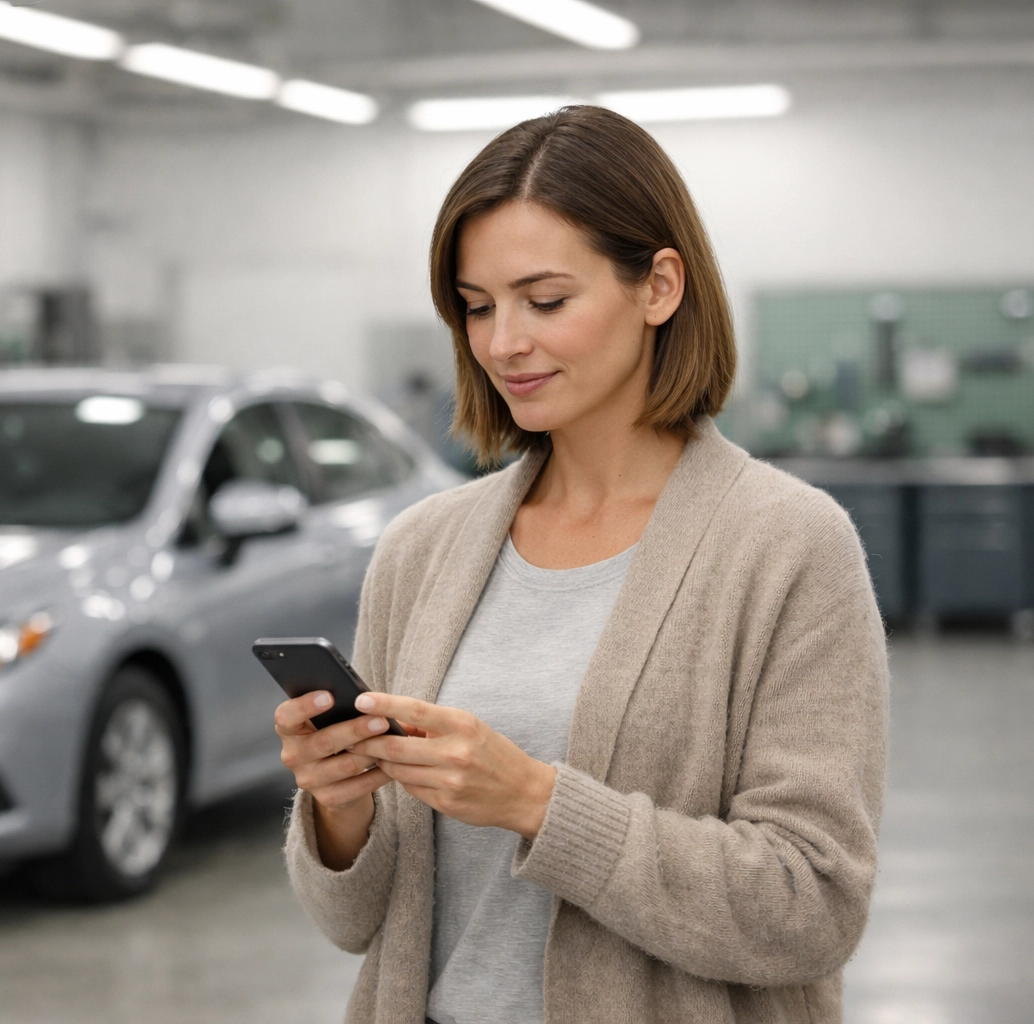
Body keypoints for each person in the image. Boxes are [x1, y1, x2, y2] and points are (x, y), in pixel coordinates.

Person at [276, 105, 888, 1024]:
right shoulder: (423, 551)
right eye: (477, 308)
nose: (502, 344)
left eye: (545, 300)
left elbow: (809, 907)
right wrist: (336, 808)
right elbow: (358, 922)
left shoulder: (788, 546)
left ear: (660, 287)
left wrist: (537, 802)